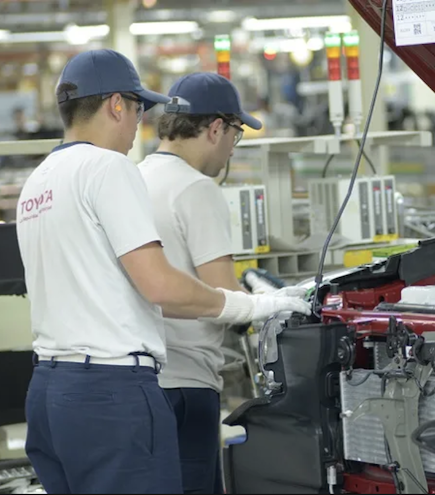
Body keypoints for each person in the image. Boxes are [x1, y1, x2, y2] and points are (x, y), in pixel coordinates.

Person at [16, 49, 310, 494]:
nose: (140, 123)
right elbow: (159, 285)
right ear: (117, 104)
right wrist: (256, 304)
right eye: (139, 108)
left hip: (49, 392)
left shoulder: (39, 180)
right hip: (112, 392)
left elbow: (115, 289)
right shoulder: (107, 167)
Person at [137, 72, 271, 494]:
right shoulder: (197, 189)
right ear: (217, 128)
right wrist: (270, 301)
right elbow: (225, 296)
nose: (233, 145)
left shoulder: (132, 179)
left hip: (142, 383)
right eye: (236, 133)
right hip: (188, 385)